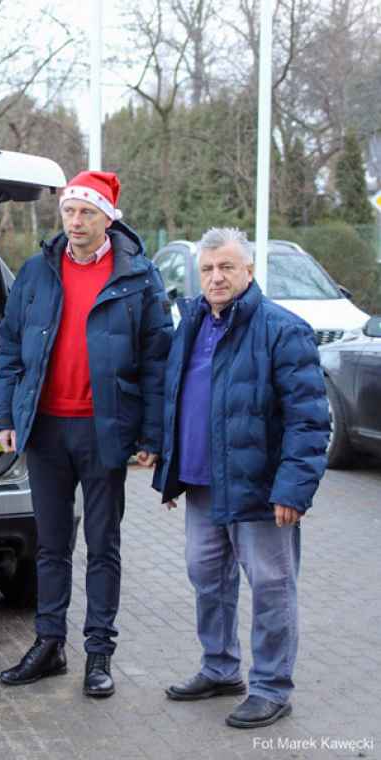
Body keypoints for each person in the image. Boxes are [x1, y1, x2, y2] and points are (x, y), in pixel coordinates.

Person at [0, 170, 172, 698]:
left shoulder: (139, 278)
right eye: (69, 211)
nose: (75, 222)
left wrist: (151, 437)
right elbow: (9, 349)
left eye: (87, 212)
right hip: (46, 430)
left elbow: (157, 362)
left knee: (103, 546)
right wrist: (4, 417)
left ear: (108, 218)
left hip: (104, 431)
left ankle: (98, 653)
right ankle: (50, 644)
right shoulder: (37, 273)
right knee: (50, 546)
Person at [152, 228, 328, 729]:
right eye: (207, 269)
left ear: (248, 271)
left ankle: (272, 687)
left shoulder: (282, 329)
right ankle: (220, 667)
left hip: (261, 491)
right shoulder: (190, 324)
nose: (216, 277)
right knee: (207, 579)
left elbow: (309, 420)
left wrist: (293, 489)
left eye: (227, 267)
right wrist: (173, 469)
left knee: (271, 588)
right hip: (203, 485)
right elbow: (178, 399)